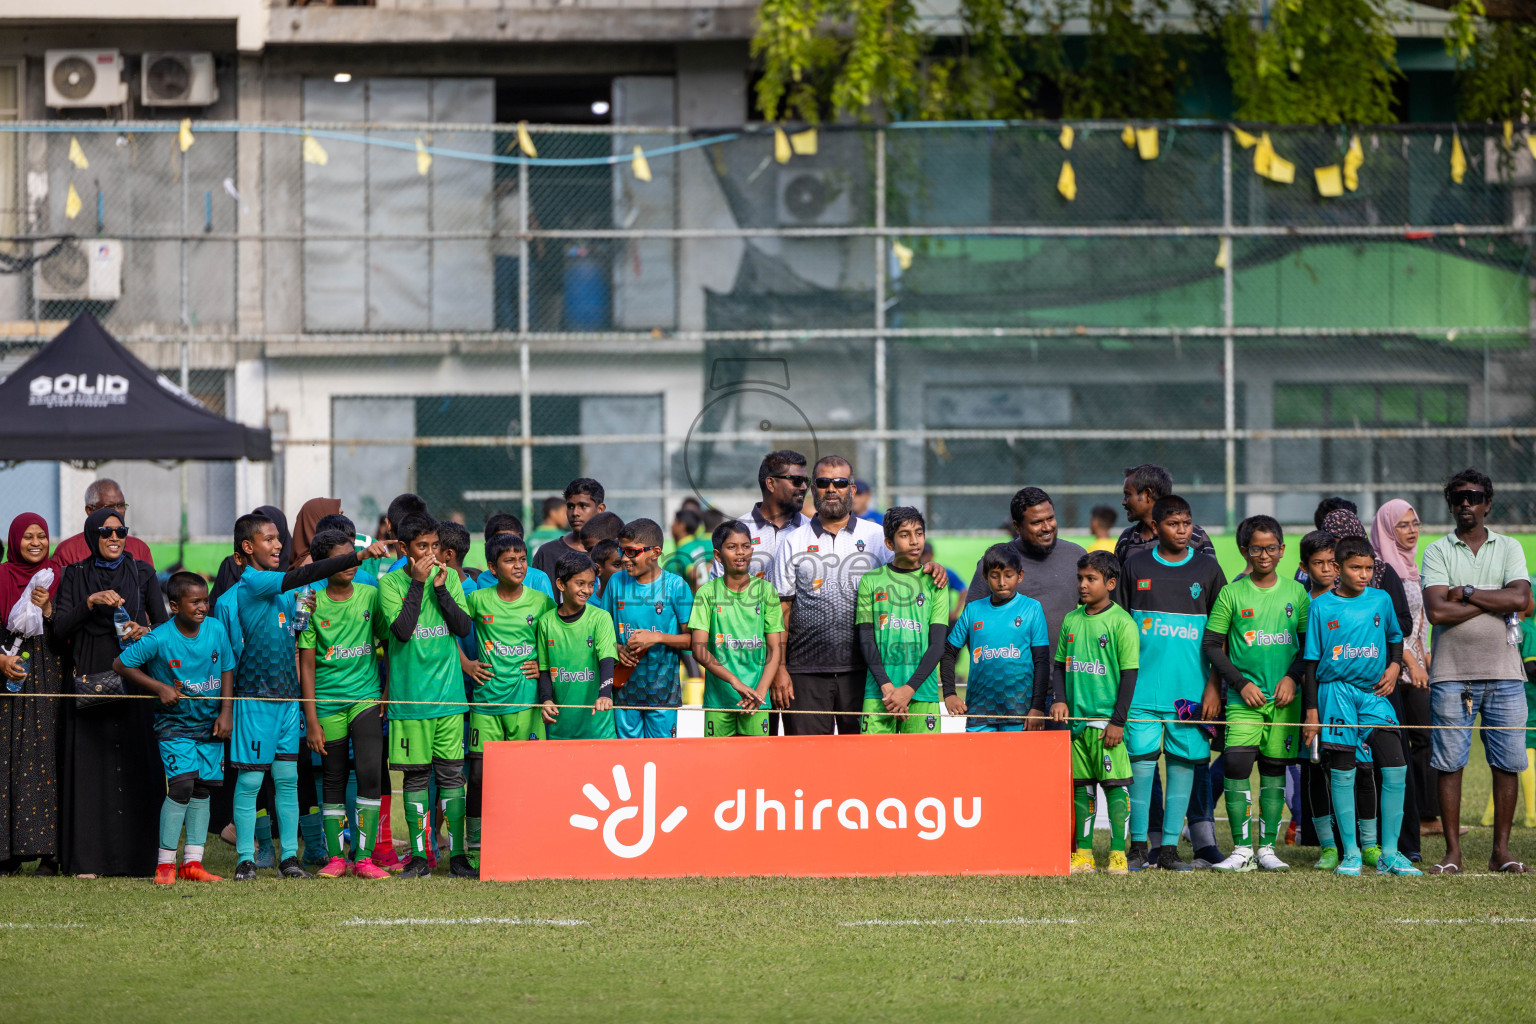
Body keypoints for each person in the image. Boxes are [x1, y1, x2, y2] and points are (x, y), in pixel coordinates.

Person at [227, 511, 389, 882]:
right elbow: (299, 576)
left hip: (288, 700)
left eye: (278, 538)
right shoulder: (256, 582)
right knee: (252, 781)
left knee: (287, 778)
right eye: (269, 539)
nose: (278, 544)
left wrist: (304, 615)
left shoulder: (293, 594)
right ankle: (246, 858)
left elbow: (296, 634)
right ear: (248, 548)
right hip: (256, 700)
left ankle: (289, 857)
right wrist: (358, 556)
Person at [1420, 468, 1533, 874]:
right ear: (1450, 504)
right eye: (1458, 497)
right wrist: (1494, 599)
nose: (1466, 503)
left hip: (1506, 672)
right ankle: (1453, 854)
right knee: (1450, 762)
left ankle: (1501, 852)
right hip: (1451, 674)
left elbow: (1521, 598)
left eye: (1474, 496)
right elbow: (1437, 611)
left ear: (1488, 503)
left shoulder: (1509, 547)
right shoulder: (1436, 551)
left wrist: (1466, 592)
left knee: (1508, 763)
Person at [54, 507, 167, 878]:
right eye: (106, 532)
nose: (115, 538)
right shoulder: (76, 574)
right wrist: (90, 603)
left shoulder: (143, 572)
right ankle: (89, 861)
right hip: (91, 673)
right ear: (92, 535)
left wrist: (144, 631)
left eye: (121, 531)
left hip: (134, 675)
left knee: (136, 764)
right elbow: (59, 629)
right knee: (91, 768)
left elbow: (165, 629)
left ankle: (139, 860)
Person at [1301, 535, 1419, 877]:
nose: (1364, 574)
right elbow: (1310, 662)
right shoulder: (1322, 606)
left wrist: (1396, 666)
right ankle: (1350, 852)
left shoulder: (1381, 600)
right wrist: (1311, 712)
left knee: (1395, 767)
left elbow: (1396, 639)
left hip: (1373, 695)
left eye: (1369, 568)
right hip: (1334, 693)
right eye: (1356, 568)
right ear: (1338, 569)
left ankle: (1390, 854)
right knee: (1343, 772)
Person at [1122, 494, 1227, 872]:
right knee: (1141, 765)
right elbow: (1120, 629)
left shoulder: (1208, 571)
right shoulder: (1134, 566)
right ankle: (1137, 847)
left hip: (1191, 691)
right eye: (1173, 524)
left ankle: (1168, 850)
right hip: (1142, 690)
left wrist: (1214, 686)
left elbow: (1221, 635)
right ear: (1157, 526)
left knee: (1184, 763)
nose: (1182, 531)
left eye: (1187, 524)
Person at [112, 572, 234, 885]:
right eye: (195, 602)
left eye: (205, 600)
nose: (203, 607)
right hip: (174, 725)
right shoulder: (160, 638)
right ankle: (165, 864)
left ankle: (193, 863)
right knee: (181, 786)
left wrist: (226, 712)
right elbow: (121, 664)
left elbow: (227, 668)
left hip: (210, 724)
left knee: (203, 787)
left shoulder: (217, 629)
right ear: (175, 605)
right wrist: (159, 687)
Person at [1203, 515, 1310, 873]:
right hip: (1243, 700)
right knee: (1235, 763)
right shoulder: (1232, 593)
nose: (1263, 555)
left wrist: (1293, 678)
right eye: (1255, 549)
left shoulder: (1296, 593)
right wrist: (1240, 683)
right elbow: (1213, 644)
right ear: (1244, 551)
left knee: (1274, 768)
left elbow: (1308, 645)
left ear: (1281, 550)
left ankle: (1266, 849)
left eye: (1270, 548)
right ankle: (1241, 850)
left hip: (1283, 700)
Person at [375, 512, 476, 879]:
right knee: (416, 779)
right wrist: (418, 585)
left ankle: (459, 855)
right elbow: (400, 632)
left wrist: (440, 589)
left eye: (435, 546)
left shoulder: (447, 581)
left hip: (449, 699)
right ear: (404, 548)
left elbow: (463, 627)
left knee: (452, 776)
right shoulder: (390, 585)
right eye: (423, 547)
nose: (432, 554)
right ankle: (420, 857)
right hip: (411, 702)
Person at [769, 457, 895, 736]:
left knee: (863, 765)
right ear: (814, 489)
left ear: (851, 489)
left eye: (840, 483)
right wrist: (779, 668)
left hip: (866, 673)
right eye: (824, 482)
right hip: (804, 673)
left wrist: (931, 568)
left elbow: (907, 574)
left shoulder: (877, 537)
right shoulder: (794, 541)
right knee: (806, 764)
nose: (831, 489)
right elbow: (780, 610)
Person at [296, 530, 390, 880]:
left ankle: (364, 858)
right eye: (342, 558)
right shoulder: (308, 600)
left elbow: (386, 642)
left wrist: (386, 689)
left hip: (365, 698)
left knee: (368, 772)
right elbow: (305, 663)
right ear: (323, 564)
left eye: (354, 555)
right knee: (333, 777)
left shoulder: (370, 594)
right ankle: (337, 858)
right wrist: (312, 718)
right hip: (327, 705)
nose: (351, 564)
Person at [1048, 551, 1138, 875]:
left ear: (1110, 583)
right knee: (1081, 789)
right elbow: (1059, 666)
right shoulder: (1072, 619)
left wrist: (1117, 721)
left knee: (1115, 787)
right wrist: (1060, 699)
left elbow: (1129, 676)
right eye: (1080, 578)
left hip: (1106, 727)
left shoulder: (1121, 623)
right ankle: (1083, 854)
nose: (1082, 585)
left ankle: (1117, 854)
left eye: (1091, 579)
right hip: (1076, 726)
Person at [965, 487, 1088, 722]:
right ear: (1017, 526)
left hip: (1065, 694)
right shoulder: (996, 563)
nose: (1047, 527)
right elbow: (973, 629)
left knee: (1060, 760)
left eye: (1050, 518)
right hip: (1010, 695)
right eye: (1036, 522)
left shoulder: (1076, 557)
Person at [465, 532, 553, 859]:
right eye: (509, 560)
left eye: (522, 559)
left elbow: (553, 640)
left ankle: (530, 845)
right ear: (492, 566)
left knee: (529, 776)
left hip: (525, 704)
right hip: (486, 704)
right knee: (478, 776)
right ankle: (475, 851)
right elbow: (448, 628)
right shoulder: (477, 599)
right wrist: (467, 663)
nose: (518, 566)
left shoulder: (542, 602)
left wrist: (541, 668)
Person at [0, 513, 65, 875]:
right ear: (14, 540)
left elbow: (70, 631)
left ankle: (48, 853)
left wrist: (49, 610)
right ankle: (6, 852)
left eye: (42, 535)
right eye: (28, 536)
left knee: (45, 756)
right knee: (6, 757)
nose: (36, 542)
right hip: (9, 674)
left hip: (49, 675)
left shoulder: (59, 577)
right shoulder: (1, 577)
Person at [1370, 498, 1439, 833]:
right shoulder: (1383, 568)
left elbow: (1419, 620)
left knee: (1424, 739)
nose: (1412, 531)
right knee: (1411, 740)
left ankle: (1426, 814)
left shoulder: (1411, 565)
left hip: (1418, 663)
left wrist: (1424, 655)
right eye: (1403, 525)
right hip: (1399, 668)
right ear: (1387, 528)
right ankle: (1418, 816)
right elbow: (1392, 626)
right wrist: (1411, 662)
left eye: (1415, 524)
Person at [855, 507, 949, 735]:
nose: (914, 541)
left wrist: (909, 689)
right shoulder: (871, 581)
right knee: (875, 766)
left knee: (921, 767)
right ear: (889, 543)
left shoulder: (935, 583)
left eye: (919, 533)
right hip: (879, 694)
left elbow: (937, 646)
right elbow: (866, 639)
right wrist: (886, 686)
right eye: (905, 535)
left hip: (921, 694)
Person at [598, 519, 693, 739]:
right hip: (624, 691)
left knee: (661, 760)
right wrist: (616, 648)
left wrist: (657, 638)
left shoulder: (676, 586)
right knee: (628, 758)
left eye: (632, 552)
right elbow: (603, 632)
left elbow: (693, 641)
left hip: (663, 693)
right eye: (622, 551)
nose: (624, 558)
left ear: (655, 552)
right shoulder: (615, 583)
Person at [688, 521, 785, 737]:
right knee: (718, 766)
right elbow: (699, 649)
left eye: (746, 546)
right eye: (732, 547)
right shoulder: (707, 593)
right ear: (718, 555)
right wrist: (735, 682)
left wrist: (760, 692)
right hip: (719, 702)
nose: (740, 552)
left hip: (757, 702)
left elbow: (774, 649)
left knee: (756, 766)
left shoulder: (766, 591)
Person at [940, 544, 1049, 733]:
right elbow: (948, 651)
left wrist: (1037, 707)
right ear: (985, 577)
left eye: (1008, 575)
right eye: (994, 575)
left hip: (1019, 711)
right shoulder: (973, 610)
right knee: (980, 763)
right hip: (979, 711)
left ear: (1020, 575)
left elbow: (1041, 659)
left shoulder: (1032, 608)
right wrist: (949, 694)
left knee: (1016, 762)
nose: (1001, 582)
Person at [1297, 531, 1343, 867]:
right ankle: (1327, 845)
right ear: (1304, 566)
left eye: (1331, 562)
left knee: (1349, 768)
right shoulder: (1299, 603)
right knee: (1313, 769)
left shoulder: (1352, 599)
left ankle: (1351, 842)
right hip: (1306, 698)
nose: (1326, 569)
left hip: (1342, 699)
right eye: (1318, 563)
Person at [538, 552, 618, 740]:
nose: (587, 590)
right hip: (562, 730)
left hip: (598, 729)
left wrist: (605, 695)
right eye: (580, 583)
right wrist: (546, 700)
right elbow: (544, 670)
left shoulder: (601, 618)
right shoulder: (546, 622)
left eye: (591, 584)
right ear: (561, 584)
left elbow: (607, 659)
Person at [709, 450, 808, 582]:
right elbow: (717, 588)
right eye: (797, 480)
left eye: (806, 481)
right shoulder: (737, 530)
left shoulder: (810, 529)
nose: (804, 487)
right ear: (771, 484)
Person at [1483, 601, 1536, 829]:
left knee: (1502, 760)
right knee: (1525, 754)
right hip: (1527, 701)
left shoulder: (1499, 625)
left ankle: (1489, 816)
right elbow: (1532, 668)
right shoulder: (1527, 629)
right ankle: (1532, 815)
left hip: (1499, 698)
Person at [1116, 464, 1214, 564]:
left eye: (1128, 495)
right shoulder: (1127, 539)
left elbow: (1211, 576)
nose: (1124, 502)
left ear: (1148, 494)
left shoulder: (1194, 536)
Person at [52, 479, 155, 569]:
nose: (116, 512)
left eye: (121, 505)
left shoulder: (139, 548)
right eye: (109, 507)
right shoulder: (68, 551)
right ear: (90, 510)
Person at [532, 479, 606, 579]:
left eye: (583, 506)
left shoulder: (614, 552)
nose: (575, 513)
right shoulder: (547, 552)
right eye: (570, 506)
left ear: (600, 509)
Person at [474, 513, 555, 599]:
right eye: (502, 543)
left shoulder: (538, 579)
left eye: (515, 542)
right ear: (487, 546)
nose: (510, 548)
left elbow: (549, 611)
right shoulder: (483, 579)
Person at [662, 508, 709, 586]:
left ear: (682, 526)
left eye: (675, 522)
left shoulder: (682, 551)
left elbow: (693, 575)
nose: (671, 526)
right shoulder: (705, 543)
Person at [291, 497, 342, 567]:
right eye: (339, 515)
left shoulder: (357, 545)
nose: (344, 520)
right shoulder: (308, 567)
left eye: (342, 514)